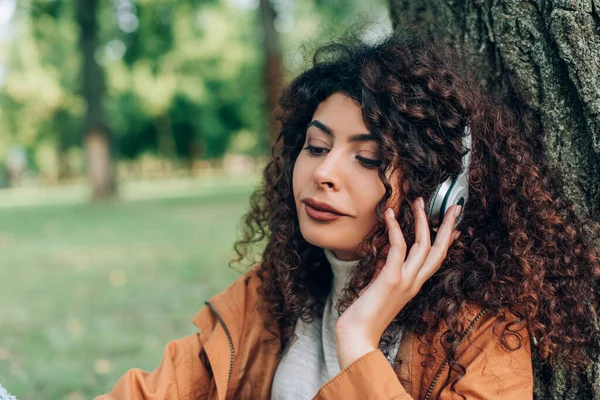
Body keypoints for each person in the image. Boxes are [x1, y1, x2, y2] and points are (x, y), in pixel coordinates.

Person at [96, 28, 600, 400]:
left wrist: (358, 342)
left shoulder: (480, 335)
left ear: (441, 193)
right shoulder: (275, 291)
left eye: (369, 159)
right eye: (316, 147)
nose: (324, 173)